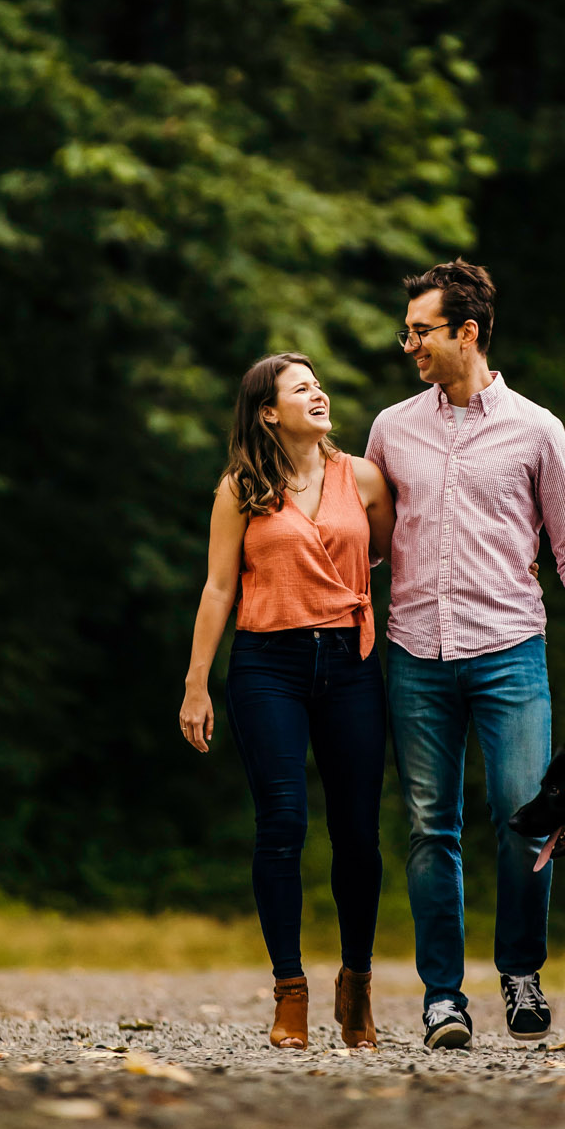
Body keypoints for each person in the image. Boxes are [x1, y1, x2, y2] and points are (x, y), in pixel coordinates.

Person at [365, 260, 565, 1049]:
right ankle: (443, 997)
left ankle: (519, 971)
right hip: (413, 652)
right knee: (427, 826)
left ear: (465, 333)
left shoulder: (537, 430)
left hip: (509, 651)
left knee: (525, 820)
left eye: (420, 331)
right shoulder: (390, 429)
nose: (407, 343)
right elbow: (363, 544)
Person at [179, 352, 396, 1051]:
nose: (319, 394)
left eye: (319, 385)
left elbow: (387, 552)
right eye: (301, 388)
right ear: (268, 411)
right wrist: (195, 683)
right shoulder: (240, 488)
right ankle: (289, 993)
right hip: (265, 665)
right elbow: (217, 589)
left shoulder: (361, 477)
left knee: (358, 833)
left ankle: (356, 986)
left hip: (349, 662)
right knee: (281, 823)